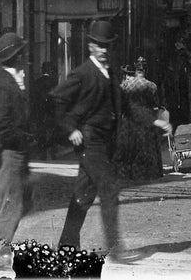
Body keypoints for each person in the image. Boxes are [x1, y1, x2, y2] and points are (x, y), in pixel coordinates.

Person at [50, 19, 134, 263]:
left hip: (105, 142)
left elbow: (124, 105)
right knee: (109, 188)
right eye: (100, 46)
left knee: (83, 195)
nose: (105, 51)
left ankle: (66, 245)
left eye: (108, 46)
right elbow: (55, 99)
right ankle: (115, 249)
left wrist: (155, 120)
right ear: (91, 47)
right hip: (89, 141)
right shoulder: (82, 73)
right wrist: (69, 128)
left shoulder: (110, 73)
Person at [0, 33, 34, 261]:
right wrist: (20, 139)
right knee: (12, 202)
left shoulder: (12, 78)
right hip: (8, 152)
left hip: (16, 151)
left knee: (23, 200)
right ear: (16, 56)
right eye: (22, 52)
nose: (25, 56)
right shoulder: (1, 83)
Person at [113, 57, 168, 181]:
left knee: (127, 147)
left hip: (129, 120)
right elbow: (155, 105)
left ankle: (126, 173)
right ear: (145, 70)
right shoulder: (151, 86)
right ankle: (145, 174)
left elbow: (120, 102)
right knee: (145, 148)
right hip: (145, 121)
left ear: (135, 69)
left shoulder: (125, 85)